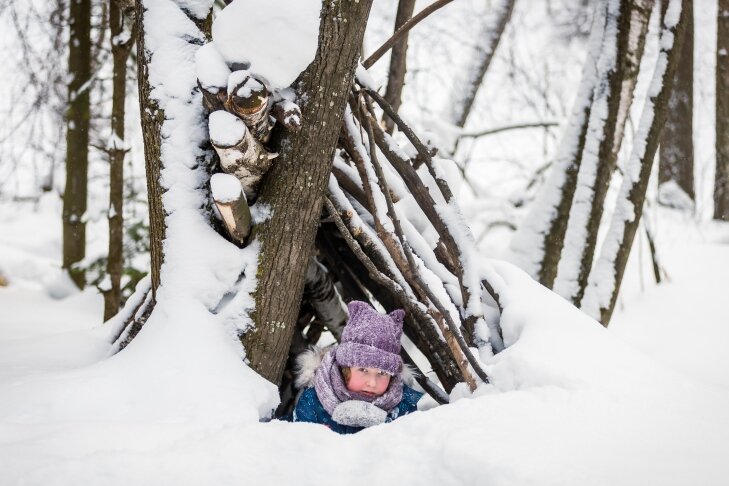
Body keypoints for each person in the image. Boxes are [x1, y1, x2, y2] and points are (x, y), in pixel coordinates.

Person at [292, 300, 423, 434]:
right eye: (363, 370)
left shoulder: (407, 405)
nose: (372, 383)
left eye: (382, 373)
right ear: (345, 369)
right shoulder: (314, 401)